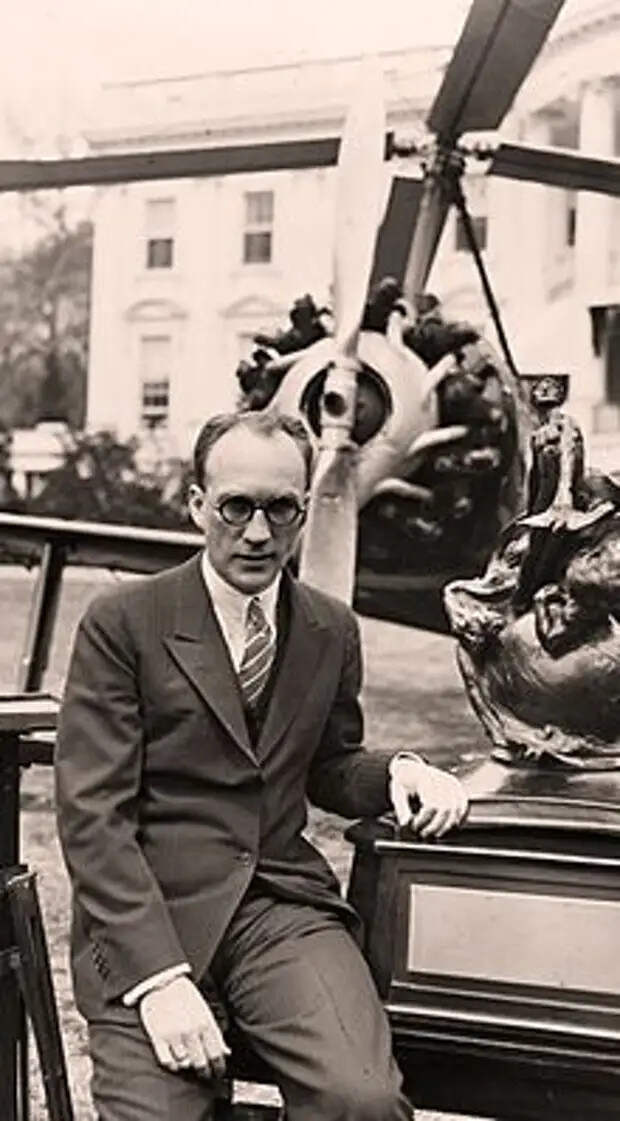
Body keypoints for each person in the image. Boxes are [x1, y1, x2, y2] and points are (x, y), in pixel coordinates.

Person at [55, 410, 468, 1121]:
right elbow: (94, 818)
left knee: (362, 1102)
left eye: (281, 509)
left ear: (304, 509)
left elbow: (331, 763)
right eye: (236, 506)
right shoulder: (124, 621)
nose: (257, 532)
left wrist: (397, 771)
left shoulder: (329, 626)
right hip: (152, 911)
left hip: (279, 909)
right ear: (196, 505)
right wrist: (156, 979)